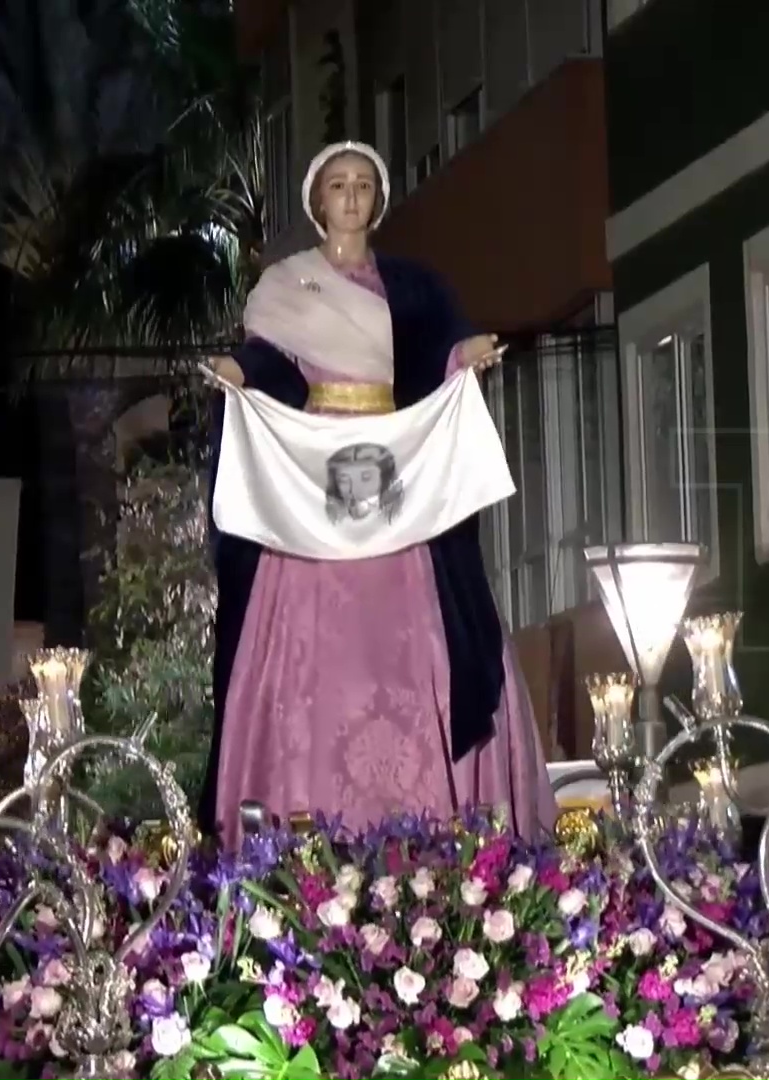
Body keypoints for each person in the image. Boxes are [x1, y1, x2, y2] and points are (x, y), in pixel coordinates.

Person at [200, 141, 557, 843]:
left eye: (364, 184)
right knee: (303, 635)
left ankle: (441, 820)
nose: (352, 195)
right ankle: (297, 818)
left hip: (395, 460)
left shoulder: (414, 286)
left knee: (433, 619)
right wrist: (236, 372)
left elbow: (440, 348)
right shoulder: (287, 286)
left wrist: (466, 355)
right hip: (314, 473)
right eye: (339, 185)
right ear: (318, 201)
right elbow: (267, 360)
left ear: (378, 198)